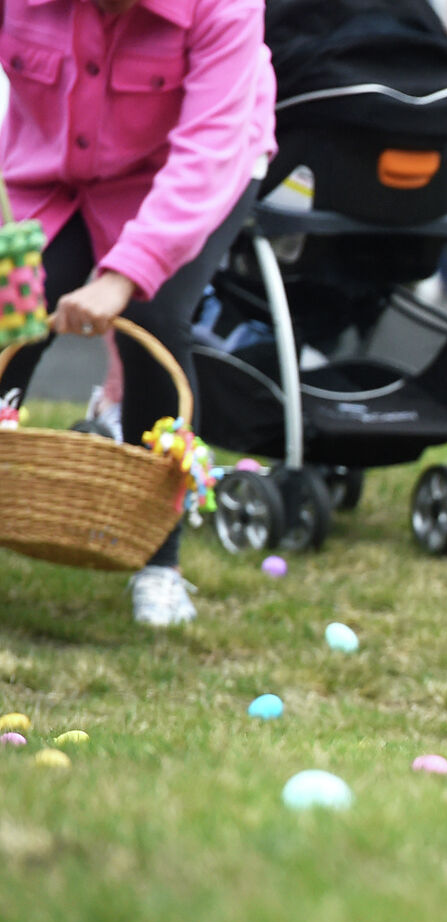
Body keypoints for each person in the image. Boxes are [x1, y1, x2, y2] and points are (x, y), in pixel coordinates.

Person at [0, 0, 274, 626]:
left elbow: (207, 151)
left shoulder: (224, 7)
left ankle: (159, 560)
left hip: (185, 174)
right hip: (51, 172)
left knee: (154, 314)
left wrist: (125, 275)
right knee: (10, 308)